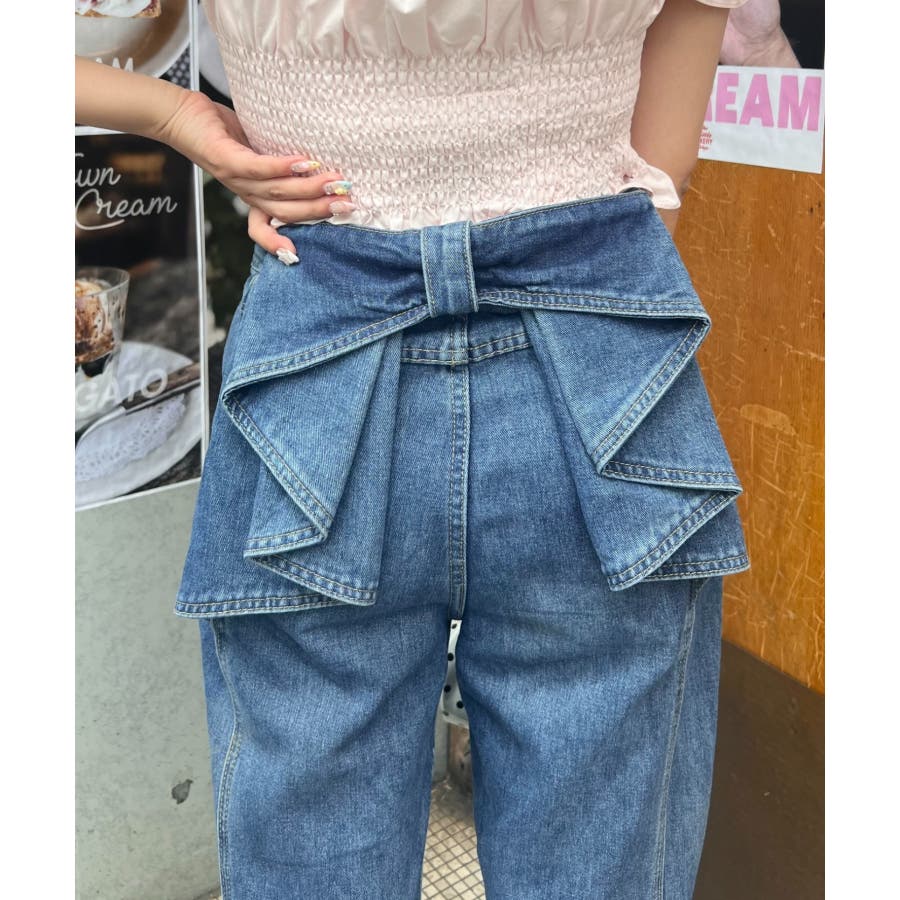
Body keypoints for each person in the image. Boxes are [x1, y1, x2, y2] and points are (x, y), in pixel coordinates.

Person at [75, 2, 752, 897]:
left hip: (322, 330)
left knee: (312, 847)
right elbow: (694, 19)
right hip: (589, 326)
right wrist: (613, 258)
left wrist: (177, 116)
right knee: (601, 842)